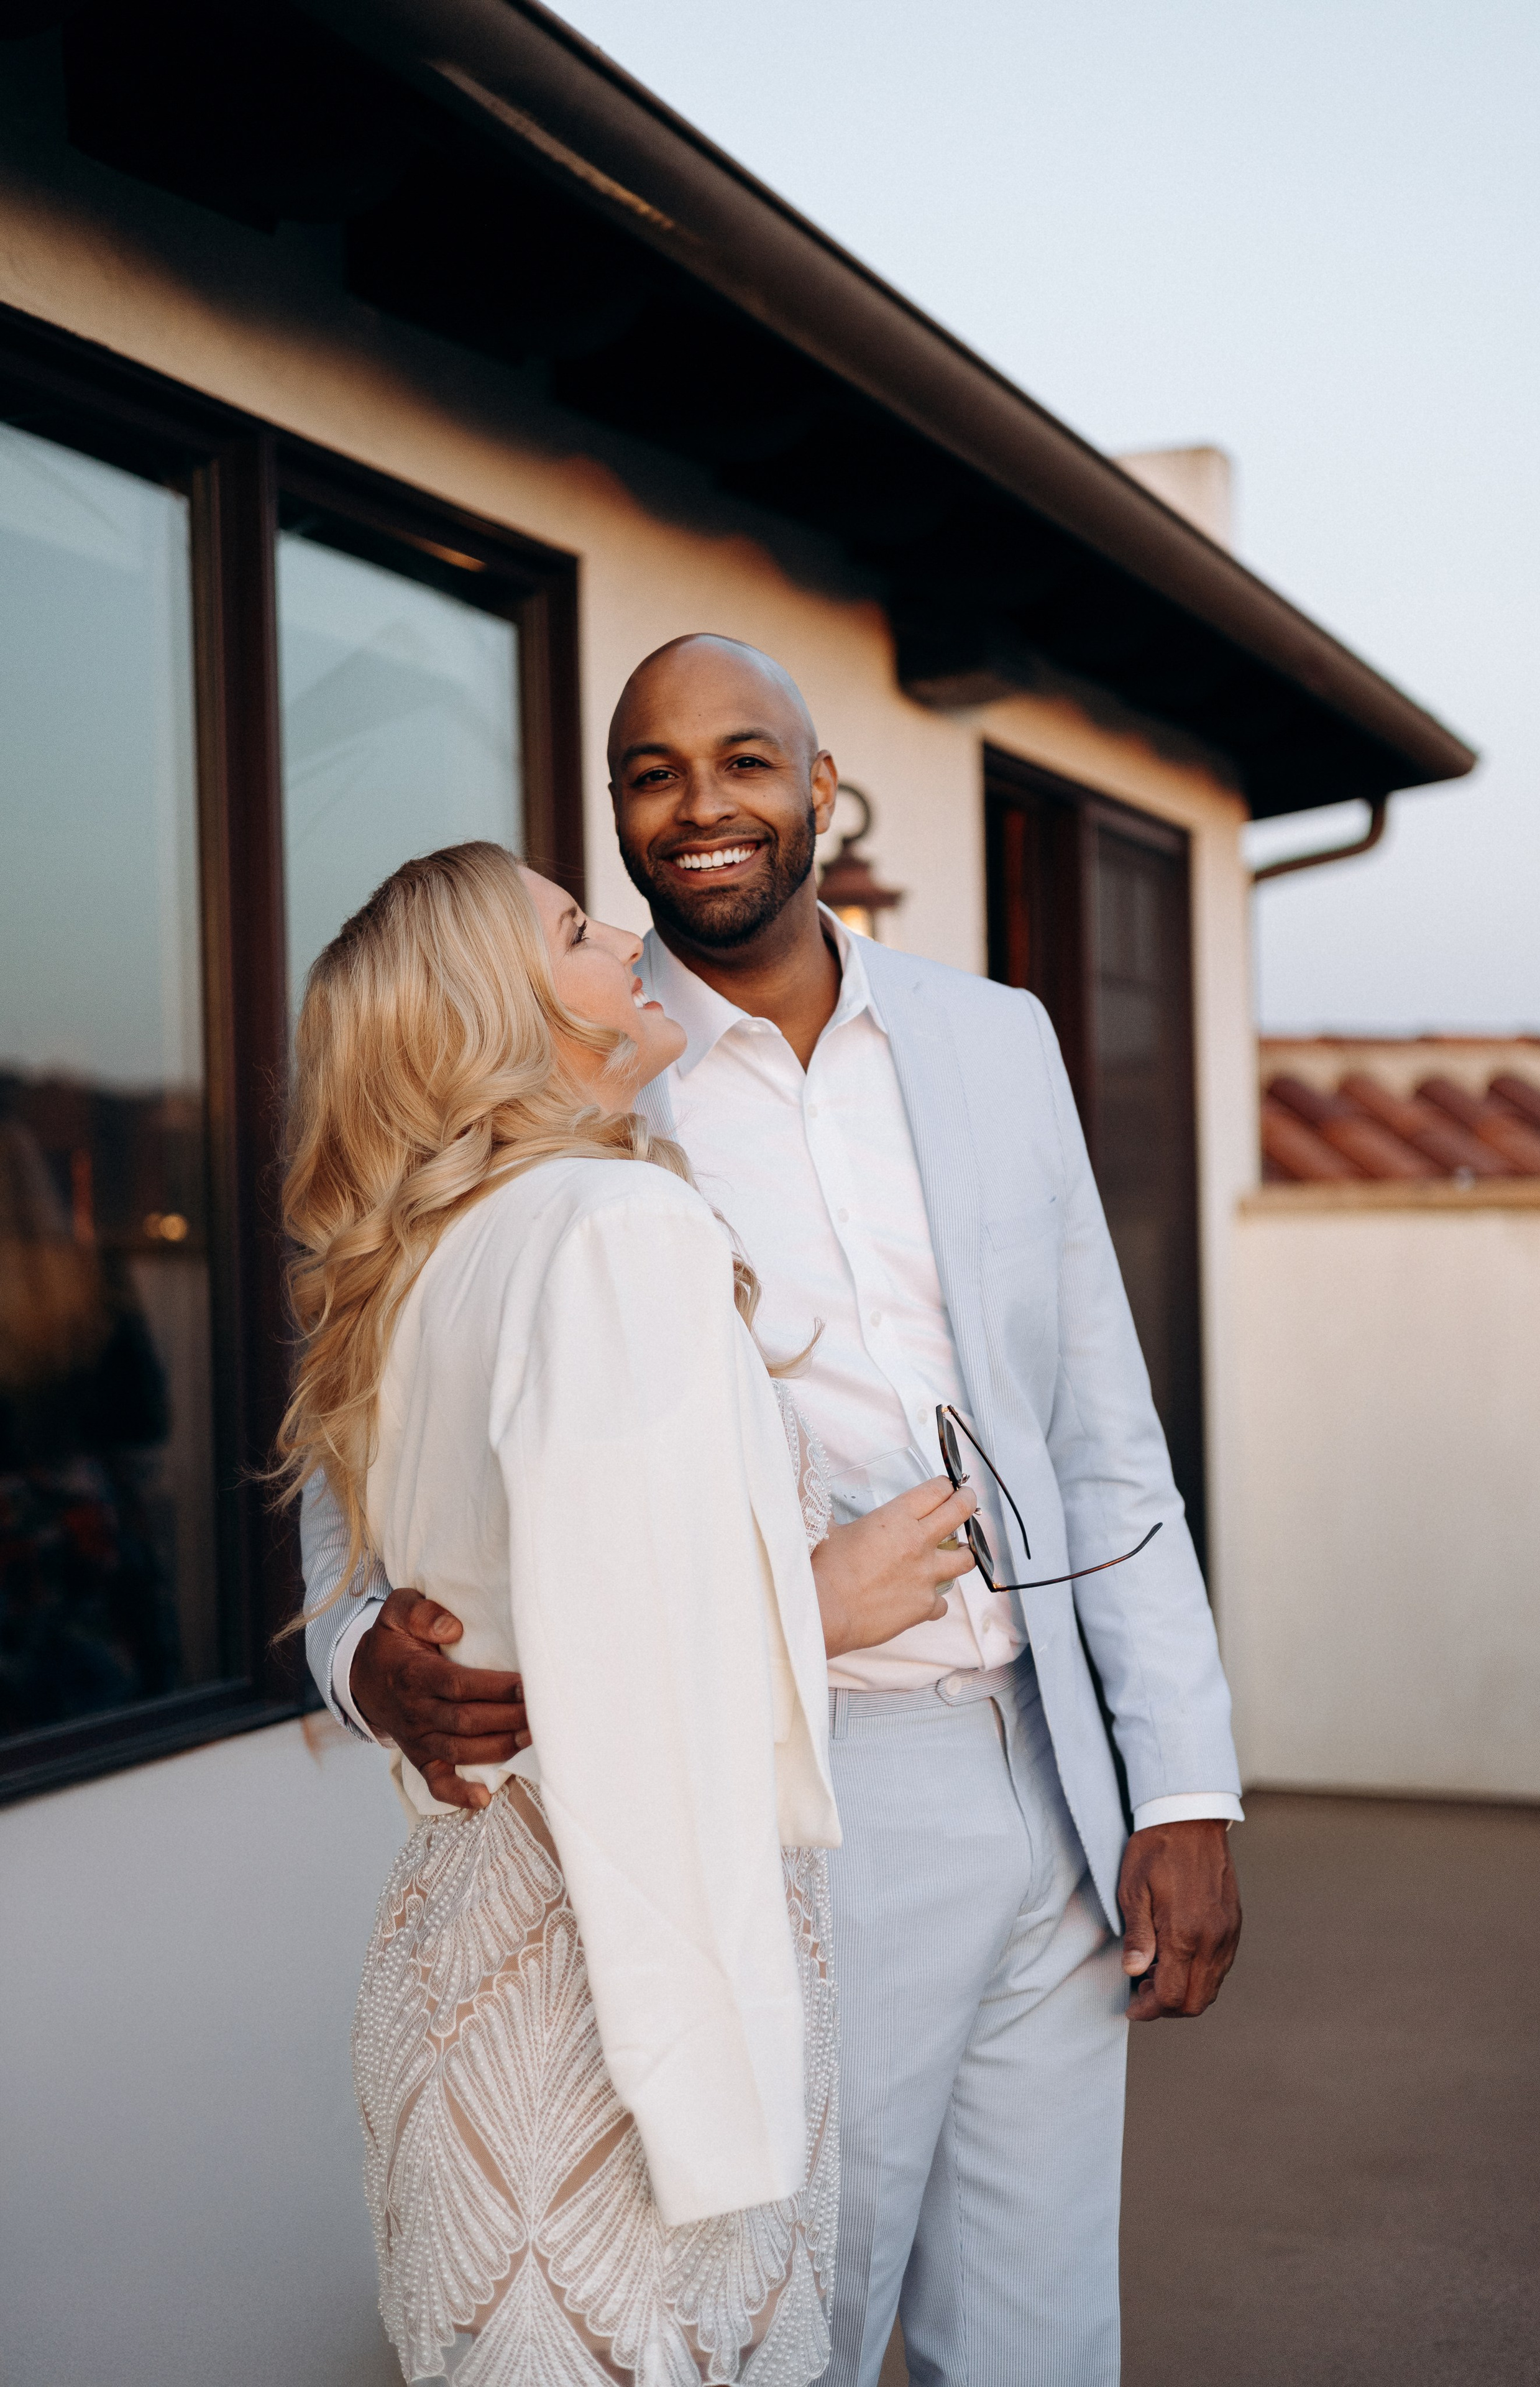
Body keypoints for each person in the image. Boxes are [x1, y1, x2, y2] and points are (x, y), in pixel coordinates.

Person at [303, 640, 1244, 2387]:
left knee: (1043, 2339)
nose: (700, 805)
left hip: (1052, 1769)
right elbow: (373, 1445)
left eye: (744, 759)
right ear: (616, 815)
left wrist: (1180, 1782)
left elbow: (1103, 1432)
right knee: (791, 2319)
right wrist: (367, 1652)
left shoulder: (996, 1039)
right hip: (796, 1788)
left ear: (820, 787)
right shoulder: (576, 1074)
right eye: (650, 774)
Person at [280, 840, 970, 2386]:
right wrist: (818, 1605)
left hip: (467, 1960)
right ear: (506, 1019)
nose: (627, 944)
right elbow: (626, 1665)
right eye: (579, 936)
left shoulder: (428, 1262)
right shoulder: (615, 1230)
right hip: (614, 2008)